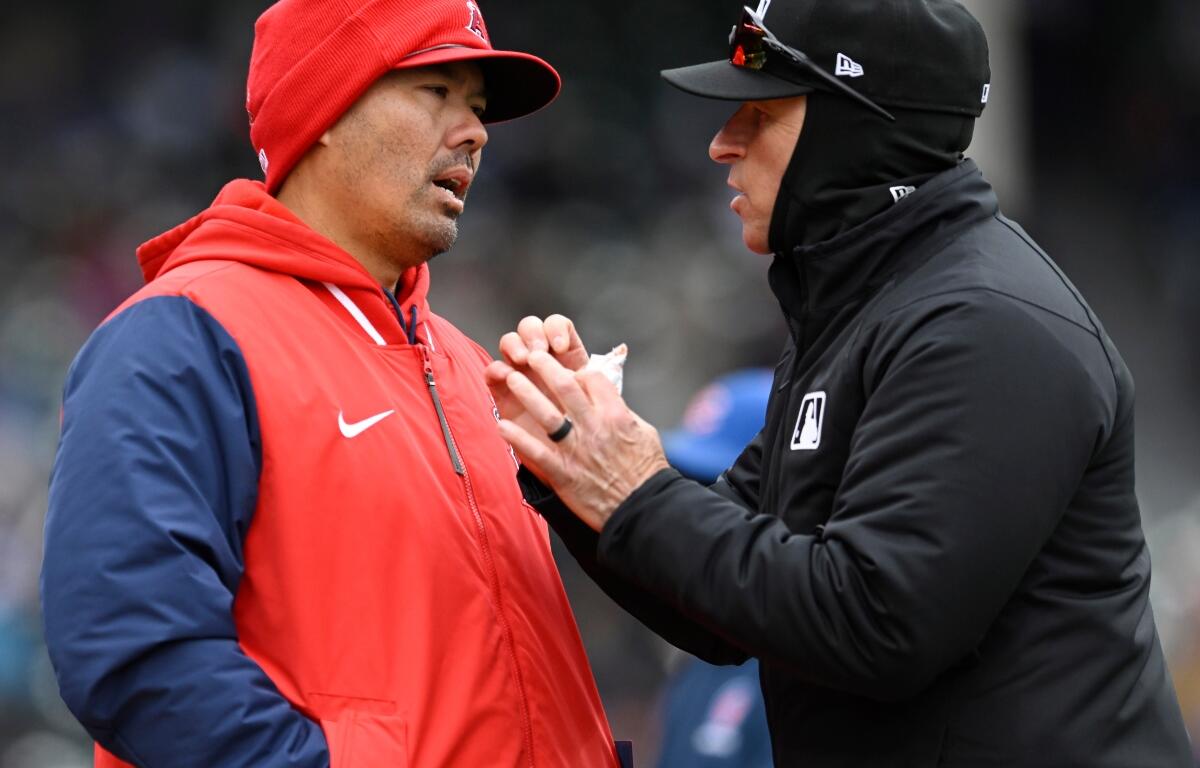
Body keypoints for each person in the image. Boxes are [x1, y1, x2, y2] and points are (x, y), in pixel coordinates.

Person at [485, 0, 1194, 765]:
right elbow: (723, 605)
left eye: (759, 114)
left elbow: (878, 624)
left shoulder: (985, 321)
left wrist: (632, 488)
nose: (723, 144)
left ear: (857, 134)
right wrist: (570, 462)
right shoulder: (865, 304)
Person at [41, 1, 624, 766]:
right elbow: (135, 651)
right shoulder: (180, 337)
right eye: (436, 92)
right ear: (323, 109)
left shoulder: (470, 366)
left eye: (477, 108)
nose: (475, 132)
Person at [655, 369, 774, 768]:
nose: (689, 515)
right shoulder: (698, 655)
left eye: (714, 488)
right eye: (682, 485)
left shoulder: (805, 666)